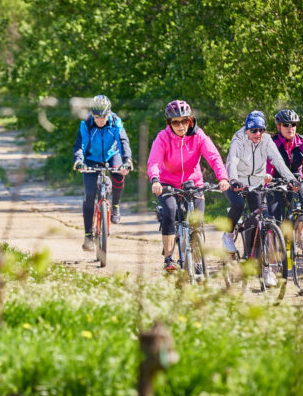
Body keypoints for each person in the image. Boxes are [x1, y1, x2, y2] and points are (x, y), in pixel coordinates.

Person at [147, 100, 230, 272]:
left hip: (193, 182)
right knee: (170, 211)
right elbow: (154, 161)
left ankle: (197, 255)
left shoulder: (199, 136)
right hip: (167, 183)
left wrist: (223, 178)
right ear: (169, 123)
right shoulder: (163, 137)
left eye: (184, 121)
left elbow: (214, 157)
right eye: (175, 122)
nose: (180, 125)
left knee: (196, 222)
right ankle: (169, 259)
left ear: (190, 120)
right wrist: (155, 179)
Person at [224, 110, 299, 286]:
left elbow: (278, 161)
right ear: (247, 130)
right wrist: (233, 180)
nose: (258, 134)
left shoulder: (266, 140)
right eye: (254, 130)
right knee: (239, 205)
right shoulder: (238, 139)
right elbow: (232, 161)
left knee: (259, 220)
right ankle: (228, 235)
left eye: (261, 130)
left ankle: (264, 269)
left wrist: (291, 179)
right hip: (237, 181)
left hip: (256, 183)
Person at [73, 95, 133, 251]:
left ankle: (115, 206)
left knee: (119, 174)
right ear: (92, 114)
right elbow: (80, 145)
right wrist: (79, 161)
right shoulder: (86, 124)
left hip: (112, 154)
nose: (100, 120)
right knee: (89, 194)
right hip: (91, 158)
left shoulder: (116, 122)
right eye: (97, 117)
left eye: (104, 116)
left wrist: (127, 161)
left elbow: (123, 142)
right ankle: (88, 236)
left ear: (109, 113)